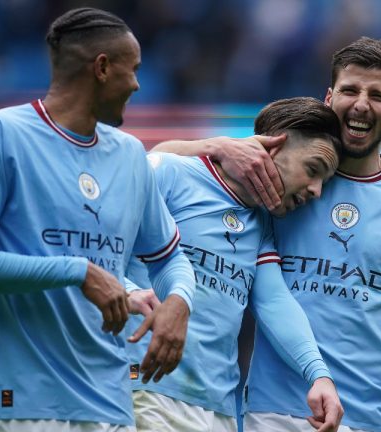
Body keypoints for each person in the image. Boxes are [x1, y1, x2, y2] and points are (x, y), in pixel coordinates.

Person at [153, 37, 381, 432]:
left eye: (377, 95)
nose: (361, 104)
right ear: (329, 97)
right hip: (274, 412)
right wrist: (217, 145)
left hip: (372, 418)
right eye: (350, 90)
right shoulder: (278, 184)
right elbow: (155, 167)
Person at [0, 8, 196, 432]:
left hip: (111, 404)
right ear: (102, 68)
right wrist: (78, 272)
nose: (137, 84)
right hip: (21, 402)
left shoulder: (130, 155)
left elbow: (169, 258)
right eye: (133, 71)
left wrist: (179, 302)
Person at [125, 97, 345, 432]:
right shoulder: (171, 172)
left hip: (219, 409)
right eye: (313, 170)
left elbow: (274, 301)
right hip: (145, 389)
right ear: (275, 146)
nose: (316, 190)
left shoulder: (261, 224)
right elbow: (104, 251)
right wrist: (129, 292)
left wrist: (318, 375)